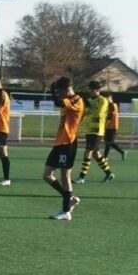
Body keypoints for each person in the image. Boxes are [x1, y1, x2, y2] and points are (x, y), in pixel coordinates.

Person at [44, 77, 84, 220]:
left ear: (67, 89)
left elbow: (60, 102)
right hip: (59, 142)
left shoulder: (77, 100)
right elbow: (59, 102)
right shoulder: (67, 100)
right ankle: (70, 199)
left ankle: (66, 211)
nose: (59, 94)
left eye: (60, 91)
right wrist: (53, 91)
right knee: (47, 175)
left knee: (65, 176)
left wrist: (53, 93)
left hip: (68, 142)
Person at [74, 81, 115, 185]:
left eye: (93, 89)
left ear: (98, 90)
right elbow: (85, 113)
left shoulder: (103, 100)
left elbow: (98, 114)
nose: (91, 91)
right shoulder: (89, 100)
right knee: (96, 154)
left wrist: (89, 109)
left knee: (88, 152)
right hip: (89, 130)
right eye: (91, 89)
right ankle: (109, 173)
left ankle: (81, 177)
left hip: (97, 130)